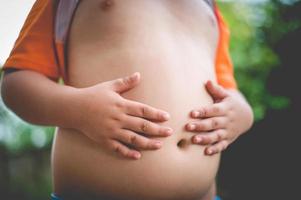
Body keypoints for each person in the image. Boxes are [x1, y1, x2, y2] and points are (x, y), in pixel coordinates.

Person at [0, 0, 254, 199]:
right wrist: (79, 110)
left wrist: (241, 114)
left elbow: (230, 92)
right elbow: (16, 83)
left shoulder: (209, 7)